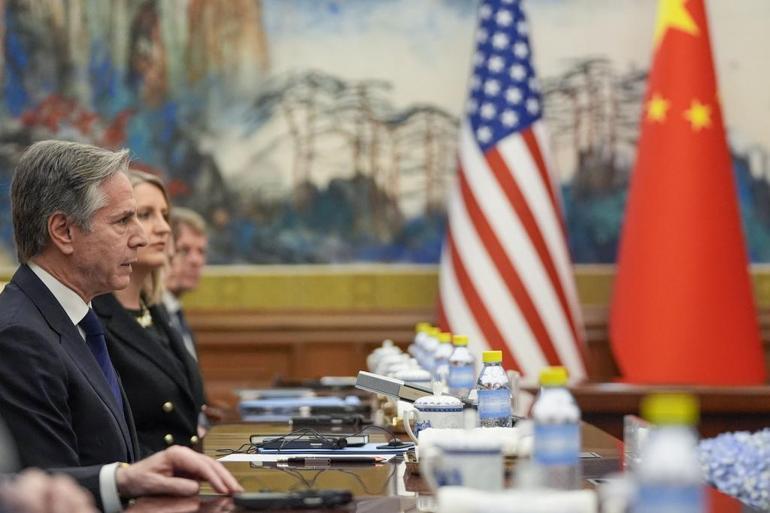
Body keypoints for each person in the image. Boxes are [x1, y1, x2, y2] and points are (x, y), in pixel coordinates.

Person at [0, 140, 242, 512]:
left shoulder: (77, 318)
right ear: (63, 231)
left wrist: (138, 474)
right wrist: (123, 479)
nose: (141, 238)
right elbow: (44, 490)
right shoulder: (20, 335)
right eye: (123, 220)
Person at [92, 170, 205, 457]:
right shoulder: (94, 318)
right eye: (145, 215)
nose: (164, 228)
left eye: (164, 215)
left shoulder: (156, 311)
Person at [164, 207, 208, 361]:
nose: (196, 261)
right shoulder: (149, 315)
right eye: (184, 250)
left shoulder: (177, 314)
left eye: (201, 251)